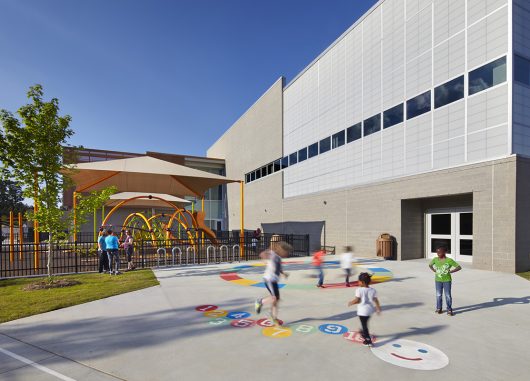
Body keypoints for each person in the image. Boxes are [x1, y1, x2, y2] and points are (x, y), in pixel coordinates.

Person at [254, 235, 290, 326]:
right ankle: (260, 302)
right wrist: (264, 259)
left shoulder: (279, 258)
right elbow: (262, 254)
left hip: (273, 280)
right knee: (274, 298)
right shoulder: (272, 253)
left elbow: (279, 268)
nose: (286, 254)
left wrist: (283, 273)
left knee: (276, 299)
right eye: (285, 252)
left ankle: (274, 317)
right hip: (269, 279)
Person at [348, 272, 381, 347]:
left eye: (358, 281)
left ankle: (368, 340)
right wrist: (378, 308)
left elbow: (358, 300)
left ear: (362, 282)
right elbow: (376, 300)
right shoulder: (373, 290)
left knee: (364, 326)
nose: (358, 282)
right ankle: (363, 332)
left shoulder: (359, 290)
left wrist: (351, 302)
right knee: (365, 324)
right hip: (369, 311)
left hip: (362, 312)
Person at [429, 245, 462, 316]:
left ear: (444, 252)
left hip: (447, 280)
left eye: (439, 253)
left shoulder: (449, 260)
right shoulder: (435, 259)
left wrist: (451, 271)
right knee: (438, 295)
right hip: (438, 280)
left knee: (448, 295)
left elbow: (459, 267)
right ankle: (439, 308)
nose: (438, 254)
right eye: (437, 253)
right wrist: (434, 270)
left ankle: (449, 310)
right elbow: (430, 265)